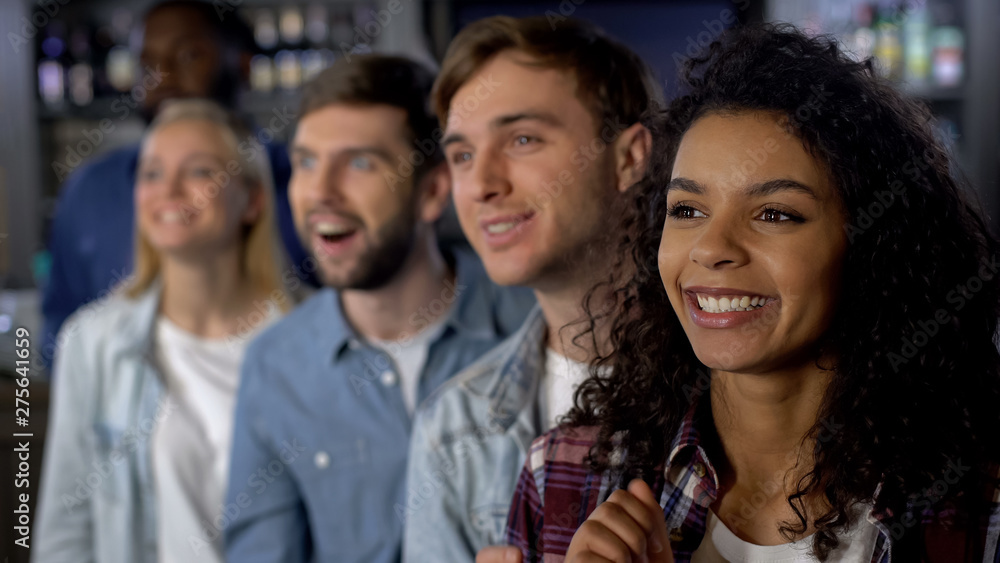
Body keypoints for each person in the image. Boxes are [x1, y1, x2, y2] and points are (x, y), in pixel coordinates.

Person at [502, 23, 1000, 563]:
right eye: (687, 210)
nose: (711, 248)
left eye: (774, 214)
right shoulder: (565, 476)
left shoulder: (978, 501)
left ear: (872, 246)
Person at [223, 55, 534, 563]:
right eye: (305, 162)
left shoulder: (532, 326)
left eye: (360, 163)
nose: (320, 193)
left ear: (433, 190)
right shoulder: (275, 365)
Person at [402, 16, 660, 562]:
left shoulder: (743, 385)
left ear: (629, 157)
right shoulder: (452, 424)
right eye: (463, 155)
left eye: (522, 139)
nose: (483, 185)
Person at [33, 99, 291, 563]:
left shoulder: (314, 340)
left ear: (252, 200)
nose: (168, 191)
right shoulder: (93, 344)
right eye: (151, 173)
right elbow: (65, 533)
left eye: (199, 172)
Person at [40, 0, 314, 370]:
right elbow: (57, 327)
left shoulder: (308, 184)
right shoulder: (89, 191)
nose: (162, 77)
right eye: (147, 64)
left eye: (187, 56)